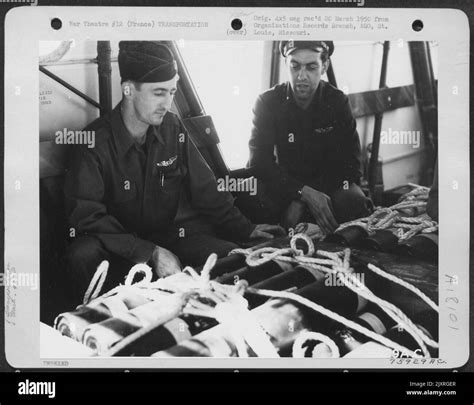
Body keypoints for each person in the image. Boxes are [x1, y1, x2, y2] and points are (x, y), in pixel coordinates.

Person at [64, 41, 282, 306]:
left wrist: (246, 229)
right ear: (128, 89)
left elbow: (207, 190)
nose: (167, 103)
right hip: (115, 248)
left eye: (171, 92)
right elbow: (88, 219)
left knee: (231, 258)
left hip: (166, 238)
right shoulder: (92, 143)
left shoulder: (172, 127)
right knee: (82, 254)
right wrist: (150, 253)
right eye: (158, 93)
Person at [248, 40, 373, 234]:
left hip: (329, 188)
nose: (302, 76)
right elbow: (259, 164)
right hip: (285, 188)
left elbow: (351, 167)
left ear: (324, 66)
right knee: (251, 197)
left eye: (311, 67)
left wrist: (309, 195)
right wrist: (301, 193)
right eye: (295, 66)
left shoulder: (337, 102)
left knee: (353, 200)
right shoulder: (268, 103)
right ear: (285, 64)